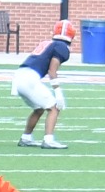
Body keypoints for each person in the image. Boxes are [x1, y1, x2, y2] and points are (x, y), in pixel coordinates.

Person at [15, 19, 76, 150]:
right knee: (54, 107)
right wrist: (58, 92)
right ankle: (48, 140)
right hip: (29, 78)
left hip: (19, 76)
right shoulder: (62, 47)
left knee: (39, 108)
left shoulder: (48, 43)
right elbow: (52, 71)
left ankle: (26, 138)